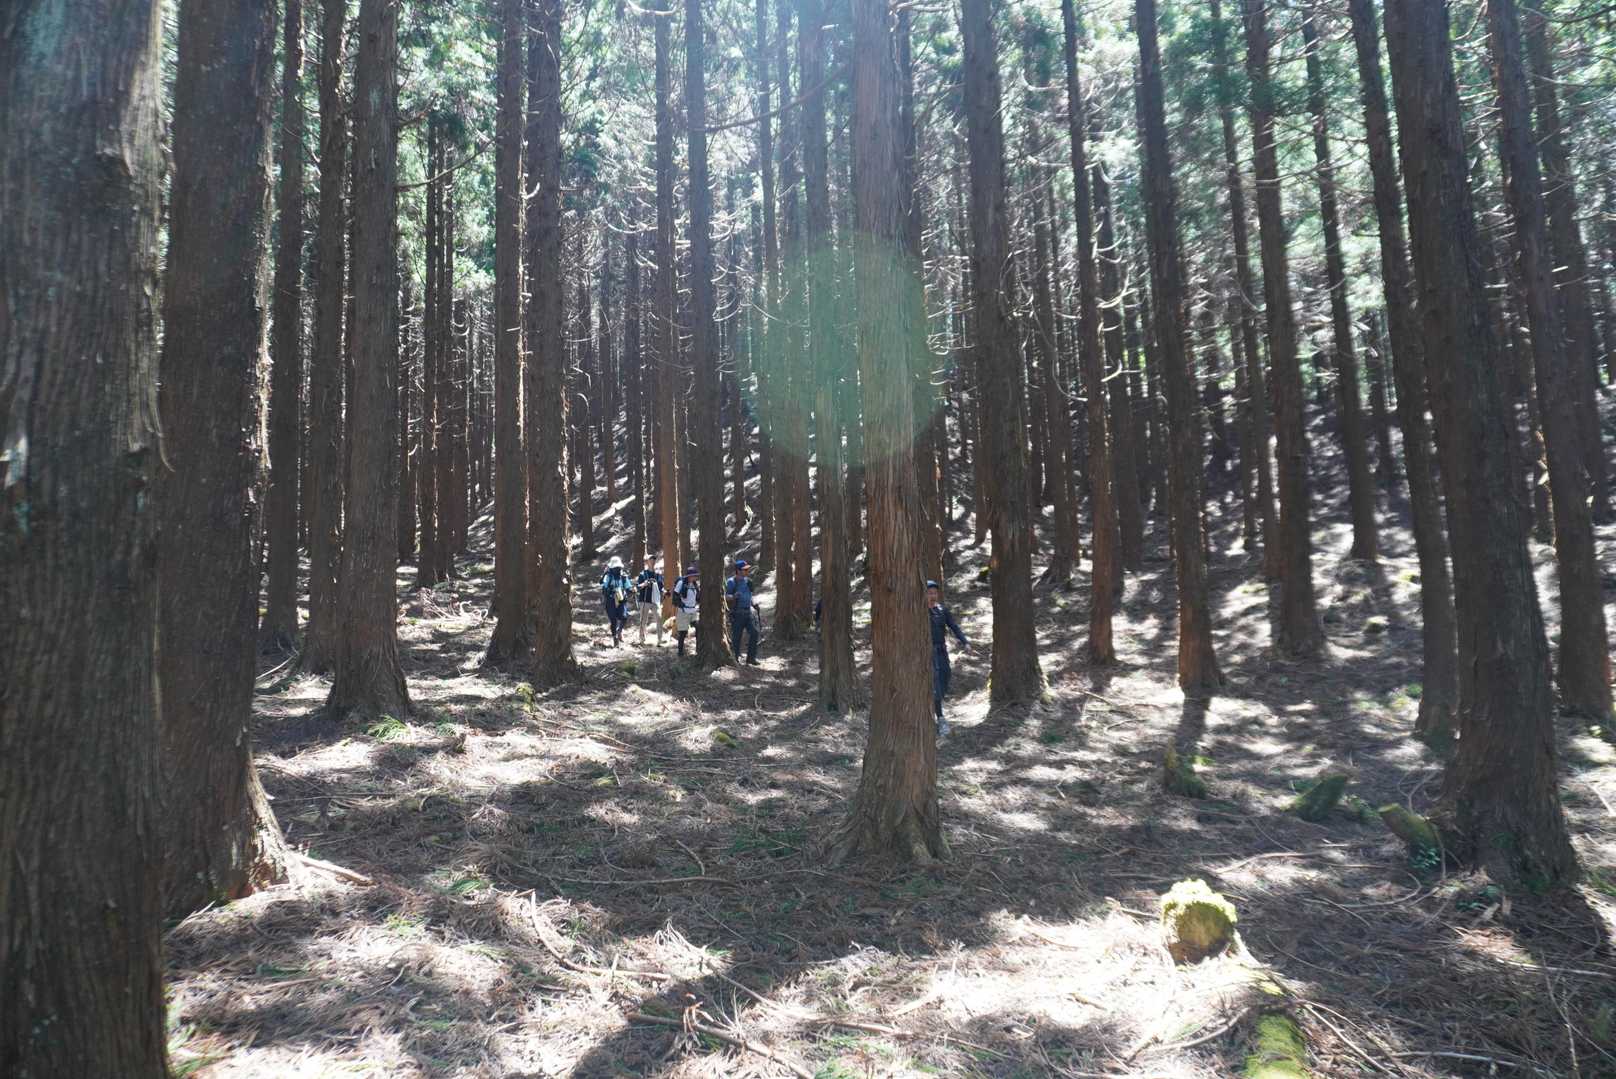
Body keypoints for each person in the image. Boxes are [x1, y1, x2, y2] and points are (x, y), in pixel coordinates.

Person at [927, 579, 968, 738]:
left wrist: (965, 642)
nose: (933, 596)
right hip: (928, 653)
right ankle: (940, 718)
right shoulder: (920, 613)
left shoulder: (942, 610)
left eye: (935, 593)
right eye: (930, 593)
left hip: (941, 651)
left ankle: (935, 707)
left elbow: (953, 626)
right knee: (935, 683)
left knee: (945, 677)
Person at [725, 558, 761, 665]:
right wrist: (733, 596)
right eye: (744, 569)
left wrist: (754, 604)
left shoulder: (748, 581)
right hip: (737, 613)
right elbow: (725, 596)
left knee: (754, 633)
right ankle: (735, 659)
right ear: (738, 571)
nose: (747, 571)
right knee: (736, 637)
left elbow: (750, 595)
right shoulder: (731, 582)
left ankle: (751, 658)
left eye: (747, 569)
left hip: (748, 612)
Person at [600, 556, 631, 647]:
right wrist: (610, 591)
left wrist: (632, 590)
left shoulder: (623, 576)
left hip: (621, 600)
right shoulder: (608, 576)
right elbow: (604, 588)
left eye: (618, 567)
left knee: (624, 617)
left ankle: (619, 631)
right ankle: (615, 639)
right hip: (611, 600)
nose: (617, 569)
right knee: (613, 620)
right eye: (615, 567)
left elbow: (628, 587)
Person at [634, 555, 665, 646]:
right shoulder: (643, 574)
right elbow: (637, 587)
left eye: (654, 560)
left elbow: (661, 587)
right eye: (651, 560)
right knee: (643, 620)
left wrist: (665, 591)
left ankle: (660, 640)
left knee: (659, 618)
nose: (653, 561)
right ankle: (642, 639)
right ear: (647, 562)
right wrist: (644, 584)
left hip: (655, 600)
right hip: (645, 600)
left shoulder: (658, 575)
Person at [671, 564, 700, 655]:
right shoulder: (681, 583)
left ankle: (698, 650)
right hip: (683, 612)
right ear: (690, 576)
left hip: (693, 611)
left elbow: (698, 597)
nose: (696, 577)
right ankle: (680, 652)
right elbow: (675, 595)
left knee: (698, 628)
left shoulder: (695, 584)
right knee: (683, 633)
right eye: (694, 575)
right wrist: (681, 605)